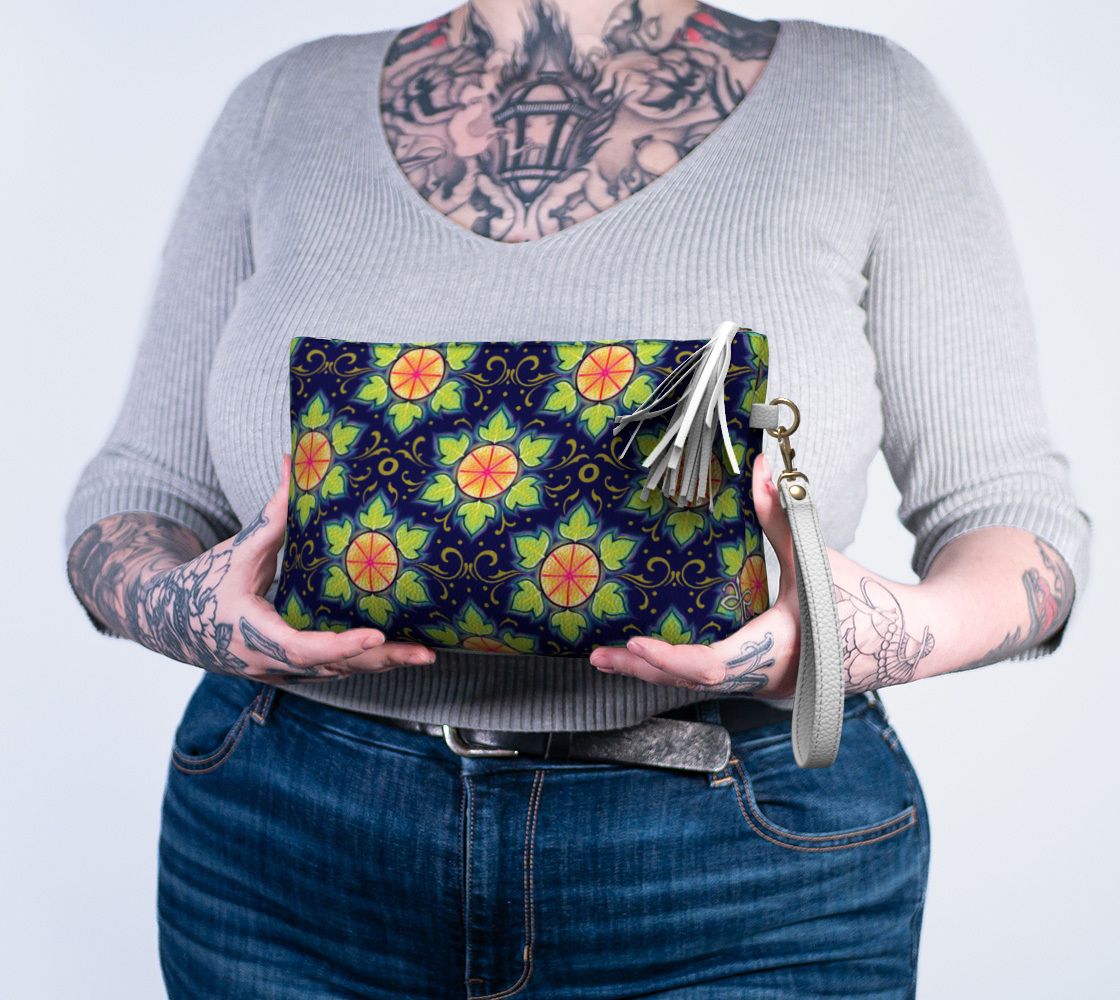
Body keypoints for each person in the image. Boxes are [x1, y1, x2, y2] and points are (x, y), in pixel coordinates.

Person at [63, 1, 1091, 996]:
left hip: (740, 867)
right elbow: (137, 494)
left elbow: (1016, 522)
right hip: (284, 838)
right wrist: (182, 607)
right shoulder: (285, 103)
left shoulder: (867, 98)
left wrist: (869, 636)